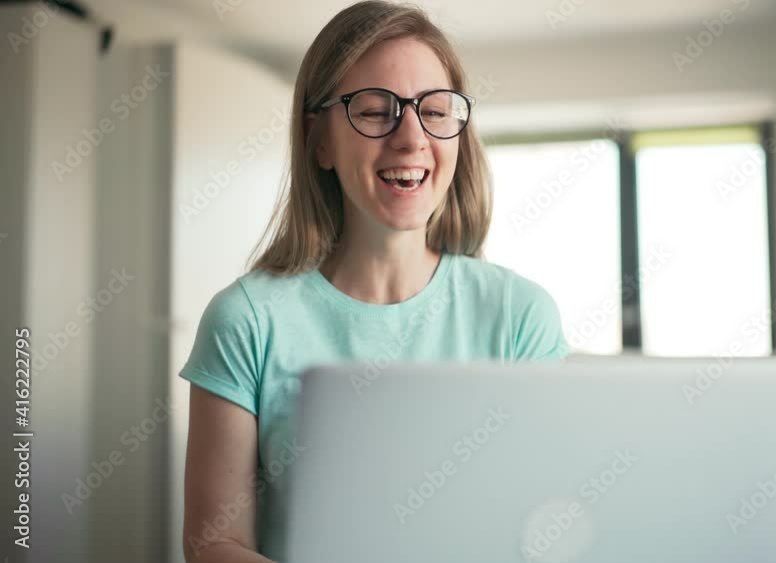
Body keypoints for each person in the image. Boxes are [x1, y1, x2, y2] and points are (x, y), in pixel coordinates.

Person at [179, 2, 570, 561]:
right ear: (319, 141)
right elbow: (214, 545)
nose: (411, 138)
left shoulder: (521, 316)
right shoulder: (246, 319)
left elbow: (549, 523)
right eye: (374, 110)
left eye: (435, 111)